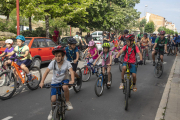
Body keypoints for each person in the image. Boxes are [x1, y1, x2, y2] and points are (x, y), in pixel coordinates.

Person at [39, 45, 75, 120]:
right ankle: (52, 111)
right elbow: (46, 72)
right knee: (53, 100)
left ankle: (67, 102)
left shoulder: (67, 63)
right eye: (56, 56)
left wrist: (72, 80)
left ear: (63, 56)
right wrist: (42, 82)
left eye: (59, 56)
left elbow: (71, 71)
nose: (57, 58)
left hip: (64, 80)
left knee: (65, 87)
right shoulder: (53, 63)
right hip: (55, 82)